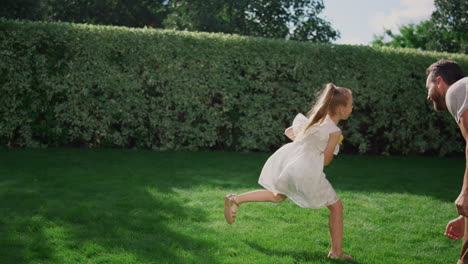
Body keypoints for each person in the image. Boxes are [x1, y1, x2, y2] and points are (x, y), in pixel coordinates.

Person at [224, 83, 353, 259]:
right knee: (336, 207)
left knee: (277, 195)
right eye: (350, 105)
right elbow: (326, 161)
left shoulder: (314, 120)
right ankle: (336, 252)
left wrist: (308, 145)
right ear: (340, 108)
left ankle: (235, 199)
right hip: (307, 171)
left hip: (291, 164)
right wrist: (333, 145)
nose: (352, 108)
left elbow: (289, 131)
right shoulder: (334, 131)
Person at [425, 59, 467, 263]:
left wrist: (466, 194)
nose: (427, 95)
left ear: (439, 81)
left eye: (429, 87)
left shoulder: (456, 91)